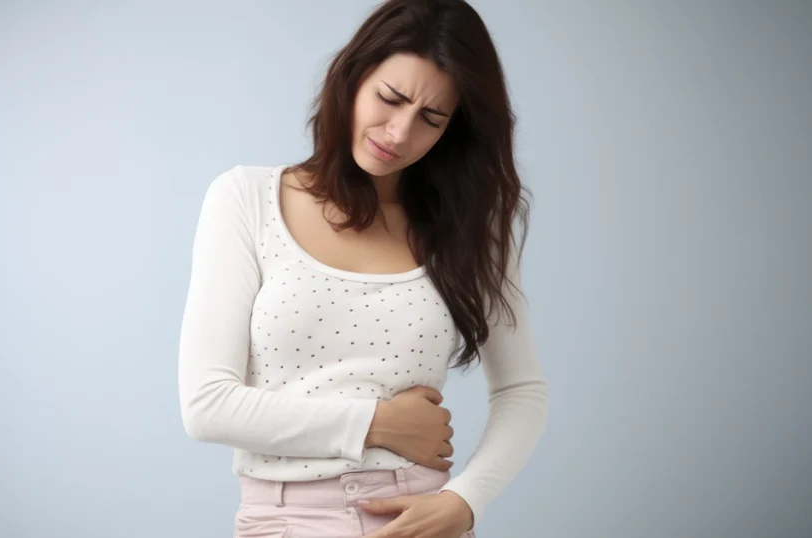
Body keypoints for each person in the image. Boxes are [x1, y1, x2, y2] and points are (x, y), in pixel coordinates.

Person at [177, 1, 549, 536]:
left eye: (431, 119)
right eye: (390, 98)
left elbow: (522, 391)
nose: (399, 133)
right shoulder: (247, 199)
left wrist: (467, 501)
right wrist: (378, 423)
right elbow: (207, 405)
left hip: (420, 517)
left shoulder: (472, 229)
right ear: (352, 78)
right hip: (284, 519)